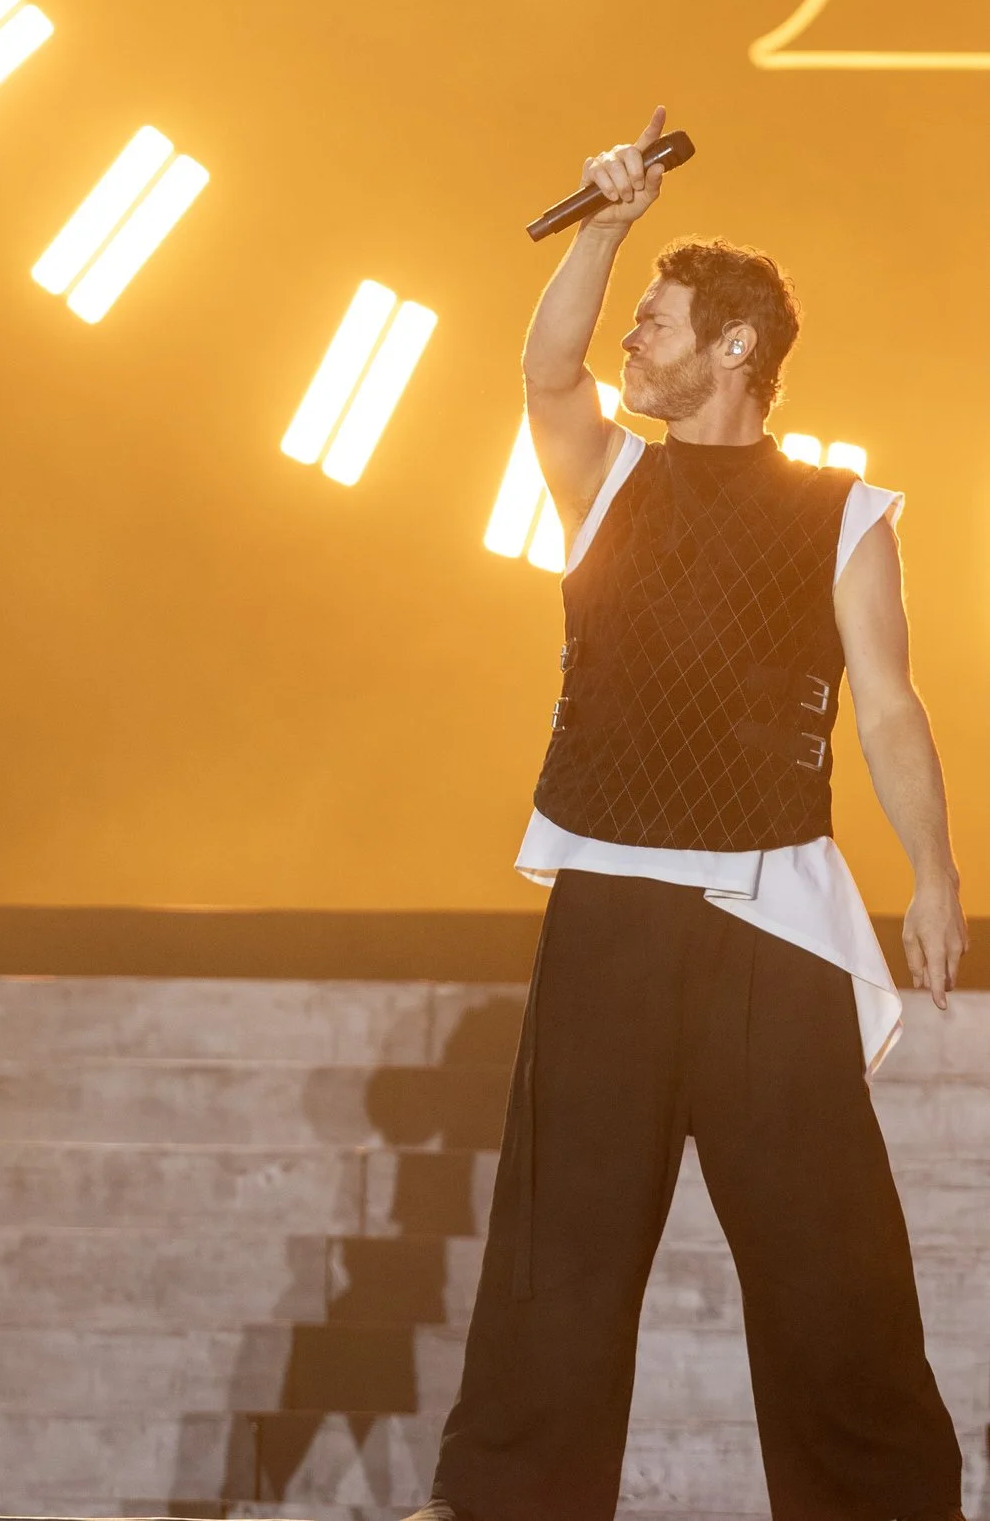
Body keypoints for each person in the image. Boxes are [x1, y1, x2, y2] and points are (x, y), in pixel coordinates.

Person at [409, 111, 966, 1521]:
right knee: (561, 1248)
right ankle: (509, 1501)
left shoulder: (846, 512)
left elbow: (891, 707)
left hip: (771, 911)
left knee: (829, 1255)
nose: (627, 346)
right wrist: (606, 226)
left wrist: (936, 869)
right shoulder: (604, 474)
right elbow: (543, 367)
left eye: (654, 322)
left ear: (734, 347)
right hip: (610, 904)